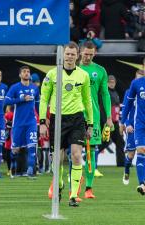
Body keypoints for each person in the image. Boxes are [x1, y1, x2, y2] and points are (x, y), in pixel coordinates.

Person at [39, 42, 93, 207]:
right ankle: (59, 184)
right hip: (57, 119)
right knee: (58, 159)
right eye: (67, 54)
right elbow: (43, 99)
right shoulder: (52, 74)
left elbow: (87, 100)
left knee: (76, 155)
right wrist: (42, 121)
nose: (69, 57)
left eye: (72, 54)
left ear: (78, 55)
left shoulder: (83, 75)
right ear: (62, 56)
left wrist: (90, 123)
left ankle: (74, 195)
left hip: (77, 119)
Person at [78, 41, 112, 199]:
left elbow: (105, 94)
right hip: (75, 117)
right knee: (75, 152)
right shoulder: (73, 69)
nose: (88, 57)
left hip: (93, 118)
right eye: (86, 54)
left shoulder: (100, 70)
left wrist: (109, 118)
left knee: (91, 152)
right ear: (80, 52)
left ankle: (89, 188)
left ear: (94, 54)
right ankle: (75, 186)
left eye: (91, 55)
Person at [5, 66, 40, 179]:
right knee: (15, 149)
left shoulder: (34, 88)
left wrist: (42, 119)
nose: (26, 73)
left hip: (31, 122)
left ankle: (30, 171)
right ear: (20, 75)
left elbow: (38, 104)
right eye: (24, 72)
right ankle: (13, 168)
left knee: (31, 146)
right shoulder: (15, 87)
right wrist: (21, 99)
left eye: (28, 72)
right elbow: (6, 101)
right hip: (18, 123)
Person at [121, 70, 145, 195]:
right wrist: (125, 123)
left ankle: (142, 183)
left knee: (141, 153)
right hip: (135, 126)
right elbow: (127, 107)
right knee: (132, 154)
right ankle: (128, 171)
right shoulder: (133, 88)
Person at [107, 75, 125, 168]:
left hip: (115, 122)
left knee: (120, 142)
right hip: (107, 122)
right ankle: (93, 162)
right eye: (110, 82)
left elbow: (116, 107)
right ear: (106, 83)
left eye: (113, 82)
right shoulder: (106, 93)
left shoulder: (115, 93)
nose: (111, 83)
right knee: (104, 142)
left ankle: (121, 164)